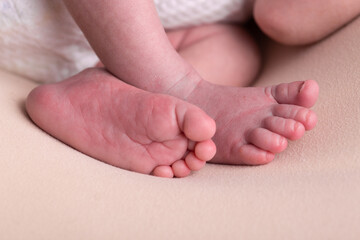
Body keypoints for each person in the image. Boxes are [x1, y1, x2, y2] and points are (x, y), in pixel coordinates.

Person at [25, 0, 360, 178]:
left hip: (151, 37)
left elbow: (282, 15)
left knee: (236, 50)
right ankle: (177, 86)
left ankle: (100, 95)